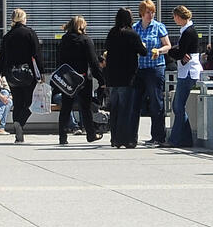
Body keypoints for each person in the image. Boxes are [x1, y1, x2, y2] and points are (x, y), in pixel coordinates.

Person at [0, 8, 42, 143]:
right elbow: (37, 55)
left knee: (18, 102)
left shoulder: (7, 36)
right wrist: (41, 72)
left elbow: (1, 57)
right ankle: (20, 122)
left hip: (11, 74)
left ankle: (17, 133)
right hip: (28, 74)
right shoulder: (30, 33)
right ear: (23, 19)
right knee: (31, 102)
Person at [55, 16, 104, 146]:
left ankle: (62, 136)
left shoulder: (64, 40)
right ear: (82, 26)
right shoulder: (86, 40)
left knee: (66, 107)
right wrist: (101, 79)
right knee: (85, 107)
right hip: (82, 78)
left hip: (68, 78)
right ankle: (91, 134)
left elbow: (59, 60)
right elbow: (93, 62)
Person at [103, 8, 148, 147]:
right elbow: (143, 51)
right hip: (127, 77)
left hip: (113, 77)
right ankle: (126, 139)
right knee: (126, 109)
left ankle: (114, 139)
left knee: (115, 109)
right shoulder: (132, 34)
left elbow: (107, 49)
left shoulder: (112, 32)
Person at [130, 0, 171, 147]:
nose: (151, 14)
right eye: (148, 12)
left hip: (155, 68)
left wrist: (159, 51)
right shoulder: (135, 28)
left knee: (155, 102)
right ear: (142, 13)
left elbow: (168, 45)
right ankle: (131, 136)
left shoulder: (159, 27)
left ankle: (158, 136)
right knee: (135, 102)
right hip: (139, 69)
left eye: (153, 11)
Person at [168, 6, 201, 148]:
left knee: (178, 106)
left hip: (187, 72)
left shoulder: (187, 32)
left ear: (179, 17)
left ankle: (175, 139)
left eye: (175, 16)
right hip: (188, 70)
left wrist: (171, 50)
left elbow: (180, 52)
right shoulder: (189, 30)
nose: (174, 19)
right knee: (179, 106)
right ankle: (186, 139)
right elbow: (181, 52)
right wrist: (178, 52)